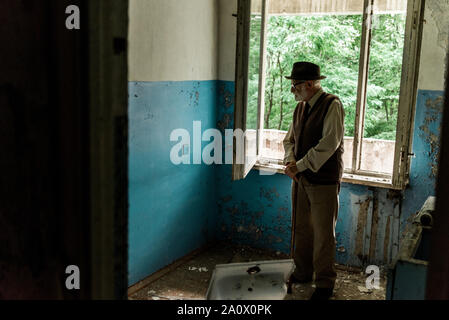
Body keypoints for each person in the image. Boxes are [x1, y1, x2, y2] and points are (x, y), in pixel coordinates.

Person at [282, 61, 345, 300]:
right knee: (301, 229)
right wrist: (291, 162)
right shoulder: (301, 108)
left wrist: (300, 164)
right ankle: (303, 271)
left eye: (295, 85)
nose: (293, 90)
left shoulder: (332, 105)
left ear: (310, 84)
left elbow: (330, 143)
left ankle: (325, 283)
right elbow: (289, 140)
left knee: (323, 233)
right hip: (300, 179)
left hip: (324, 181)